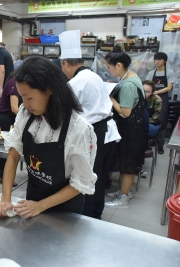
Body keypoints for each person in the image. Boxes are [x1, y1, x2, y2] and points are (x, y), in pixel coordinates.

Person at [0, 56, 97, 218]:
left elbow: (80, 182)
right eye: (22, 97)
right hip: (33, 199)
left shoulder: (78, 128)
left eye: (29, 97)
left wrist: (41, 206)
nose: (24, 104)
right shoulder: (26, 115)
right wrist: (5, 200)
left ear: (49, 89)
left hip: (65, 209)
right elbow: (12, 156)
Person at [61, 57, 114, 219]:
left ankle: (87, 218)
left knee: (87, 177)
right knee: (101, 177)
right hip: (107, 131)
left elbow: (65, 112)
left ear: (66, 64)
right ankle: (97, 213)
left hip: (92, 134)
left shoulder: (75, 83)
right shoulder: (95, 75)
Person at [104, 45, 146, 209]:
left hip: (130, 130)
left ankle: (124, 198)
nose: (108, 70)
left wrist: (110, 97)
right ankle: (122, 191)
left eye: (109, 66)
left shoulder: (128, 85)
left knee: (127, 165)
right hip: (131, 129)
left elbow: (126, 112)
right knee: (124, 162)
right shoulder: (130, 77)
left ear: (119, 65)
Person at [0, 62, 23, 187]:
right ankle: (4, 176)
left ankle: (4, 175)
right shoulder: (14, 83)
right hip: (6, 117)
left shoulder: (16, 81)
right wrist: (27, 118)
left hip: (10, 117)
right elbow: (14, 107)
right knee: (6, 147)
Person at [146, 52, 175, 154]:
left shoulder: (169, 72)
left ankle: (160, 145)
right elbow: (147, 86)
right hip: (151, 99)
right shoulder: (151, 73)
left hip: (163, 99)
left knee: (162, 121)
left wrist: (155, 92)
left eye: (159, 59)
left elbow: (169, 87)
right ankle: (148, 142)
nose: (157, 61)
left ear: (165, 61)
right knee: (149, 119)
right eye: (155, 59)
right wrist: (152, 94)